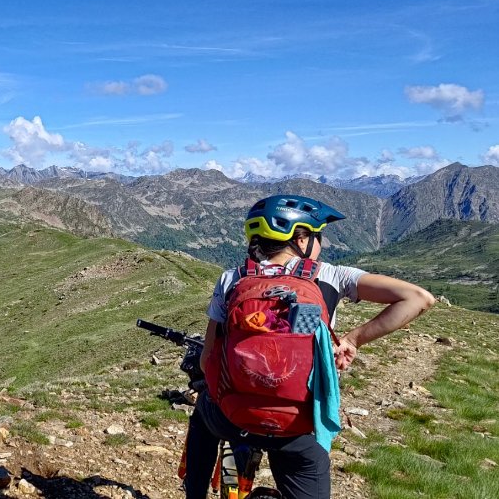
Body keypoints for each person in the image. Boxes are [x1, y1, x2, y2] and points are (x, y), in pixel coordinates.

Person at [183, 194, 436, 499]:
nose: (321, 245)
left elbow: (208, 357)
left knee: (203, 412)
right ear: (301, 239)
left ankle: (194, 493)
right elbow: (419, 298)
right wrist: (353, 339)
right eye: (319, 237)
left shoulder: (232, 279)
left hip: (233, 417)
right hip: (298, 426)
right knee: (306, 468)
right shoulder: (330, 276)